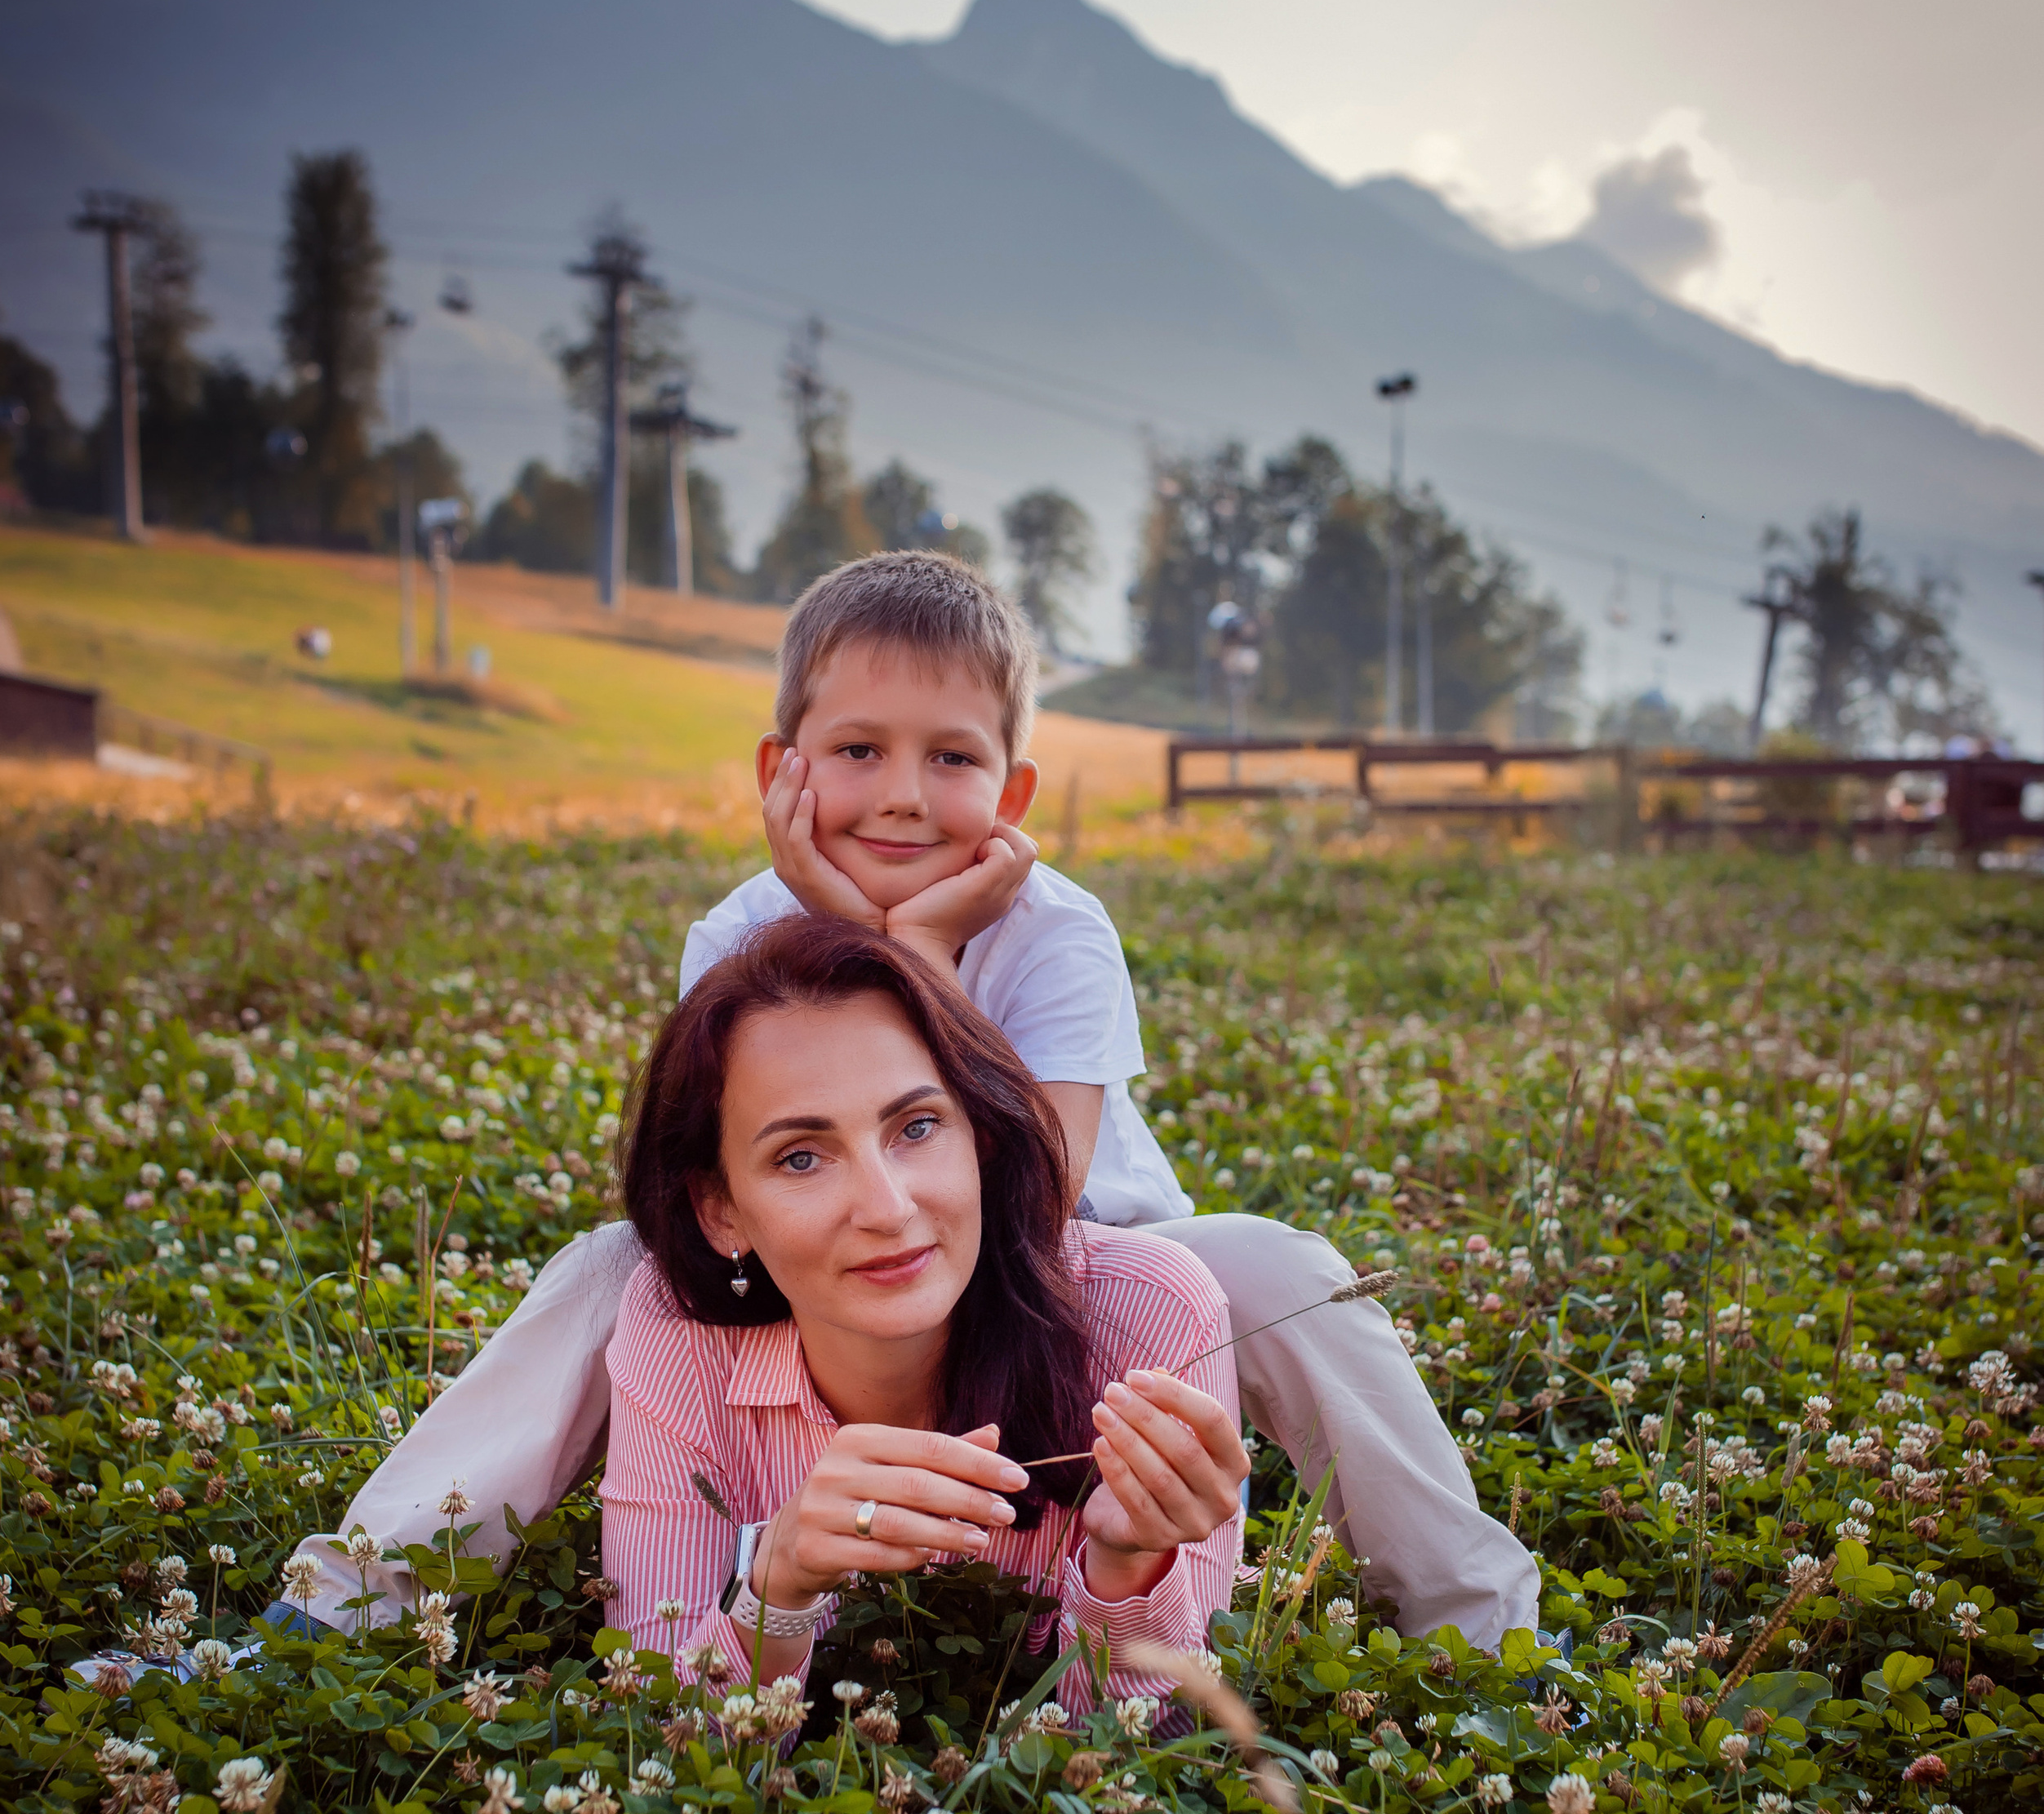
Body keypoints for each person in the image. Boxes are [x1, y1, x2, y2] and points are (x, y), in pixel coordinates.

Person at [278, 552, 1535, 1647]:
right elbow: (743, 1166)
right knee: (609, 1270)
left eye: (952, 759)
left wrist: (917, 948)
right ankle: (343, 1608)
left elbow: (1032, 1191)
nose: (900, 796)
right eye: (860, 751)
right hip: (840, 1279)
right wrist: (854, 933)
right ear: (783, 770)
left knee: (1287, 1269)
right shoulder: (742, 933)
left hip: (1086, 1275)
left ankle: (1478, 1634)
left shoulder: (1056, 931)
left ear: (1013, 793)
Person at [595, 917, 1245, 1715]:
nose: (886, 1207)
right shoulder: (678, 1334)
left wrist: (1126, 1566)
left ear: (982, 1135)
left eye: (917, 1127)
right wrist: (780, 1583)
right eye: (801, 1157)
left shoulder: (1153, 1315)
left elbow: (1156, 1759)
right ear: (720, 1210)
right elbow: (658, 1739)